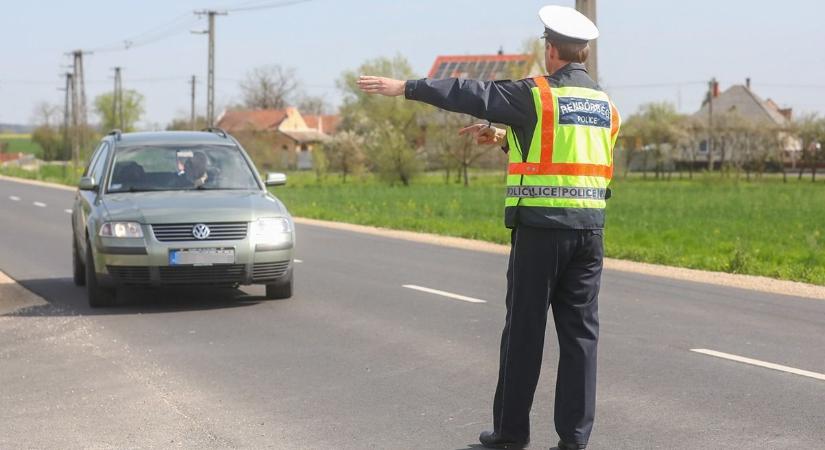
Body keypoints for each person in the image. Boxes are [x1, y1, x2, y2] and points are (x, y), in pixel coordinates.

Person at [357, 5, 620, 450]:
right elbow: (567, 160)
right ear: (585, 54)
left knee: (523, 334)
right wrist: (505, 139)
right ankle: (575, 441)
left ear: (551, 49)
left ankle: (510, 435)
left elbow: (470, 92)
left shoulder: (536, 94)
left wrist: (406, 87)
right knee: (580, 340)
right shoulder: (607, 108)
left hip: (540, 232)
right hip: (589, 235)